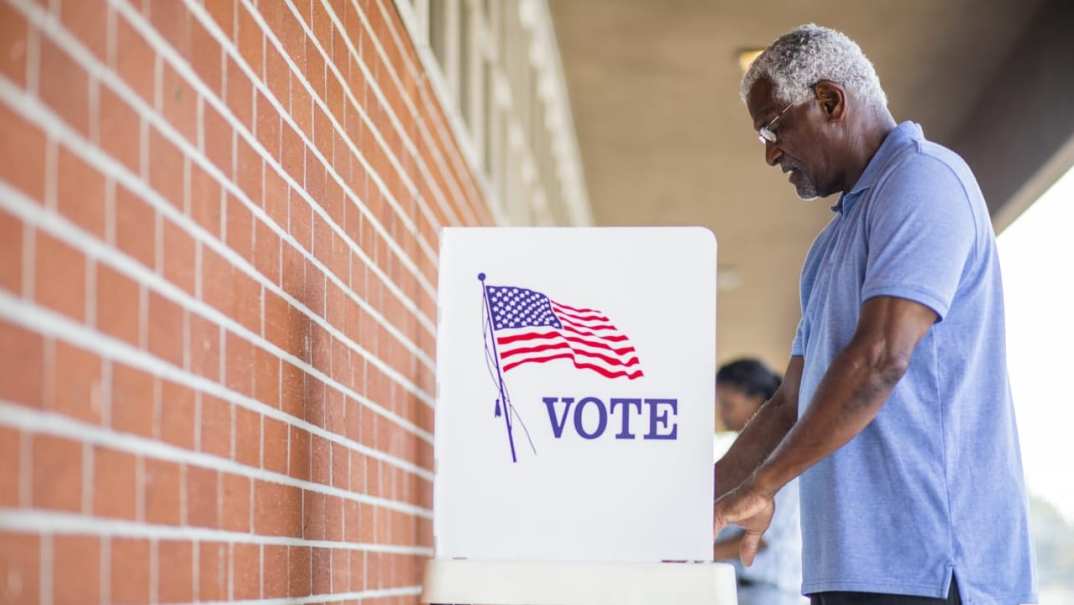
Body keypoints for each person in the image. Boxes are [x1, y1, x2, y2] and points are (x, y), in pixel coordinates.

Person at [713, 24, 1037, 605]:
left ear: (830, 101)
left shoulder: (923, 180)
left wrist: (763, 487)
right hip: (850, 569)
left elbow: (882, 359)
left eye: (773, 127)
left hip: (934, 567)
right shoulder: (830, 246)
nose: (770, 153)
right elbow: (790, 402)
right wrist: (699, 506)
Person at [714, 359, 804, 605]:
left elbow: (764, 537)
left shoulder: (782, 455)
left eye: (728, 405)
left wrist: (700, 555)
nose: (722, 415)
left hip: (770, 591)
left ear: (756, 400)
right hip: (742, 587)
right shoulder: (739, 456)